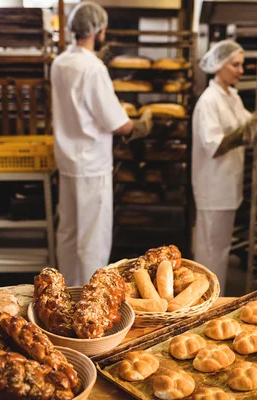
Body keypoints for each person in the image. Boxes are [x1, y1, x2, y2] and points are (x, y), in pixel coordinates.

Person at [52, 1, 153, 286]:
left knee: (69, 234)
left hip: (68, 162)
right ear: (99, 30)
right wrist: (140, 125)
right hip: (92, 165)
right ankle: (88, 301)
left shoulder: (60, 63)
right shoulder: (93, 68)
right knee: (92, 241)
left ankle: (66, 295)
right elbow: (117, 123)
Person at [192, 39, 257, 293]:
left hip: (228, 187)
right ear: (220, 65)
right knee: (209, 251)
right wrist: (243, 134)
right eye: (236, 65)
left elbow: (248, 123)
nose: (241, 70)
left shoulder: (231, 96)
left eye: (241, 65)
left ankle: (216, 300)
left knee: (221, 249)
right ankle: (201, 304)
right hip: (212, 186)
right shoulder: (208, 101)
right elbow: (214, 145)